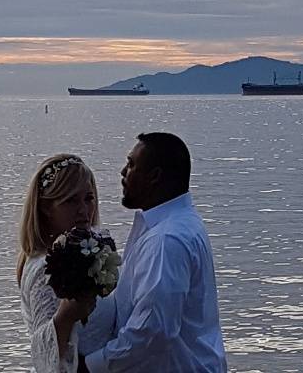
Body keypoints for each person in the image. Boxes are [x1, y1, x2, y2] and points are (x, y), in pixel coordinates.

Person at [83, 132, 228, 372]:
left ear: (155, 176)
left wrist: (90, 366)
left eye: (131, 165)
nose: (122, 173)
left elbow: (153, 330)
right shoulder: (182, 224)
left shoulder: (166, 239)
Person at [18, 154, 101, 372]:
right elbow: (43, 353)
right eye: (71, 200)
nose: (84, 210)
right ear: (46, 208)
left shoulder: (86, 251)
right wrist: (66, 315)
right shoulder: (45, 269)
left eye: (88, 198)